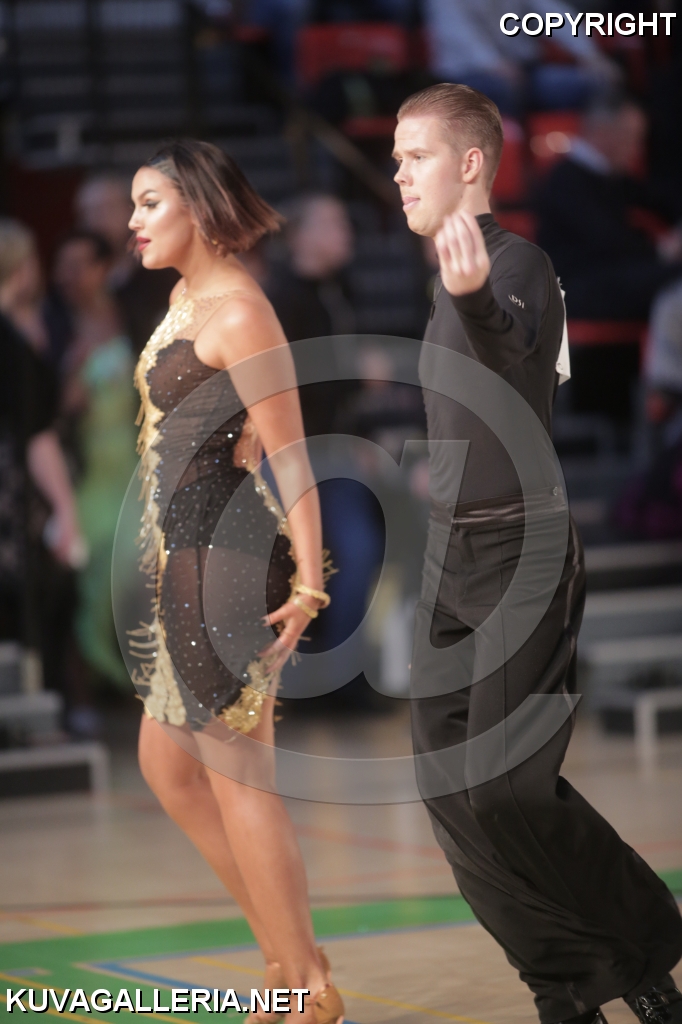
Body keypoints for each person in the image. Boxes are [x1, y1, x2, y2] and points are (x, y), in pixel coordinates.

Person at [393, 83, 682, 1024]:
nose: (400, 174)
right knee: (452, 795)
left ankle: (645, 944)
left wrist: (475, 299)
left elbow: (515, 357)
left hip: (524, 550)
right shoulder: (447, 279)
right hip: (450, 558)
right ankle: (564, 990)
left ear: (472, 163)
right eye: (395, 159)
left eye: (416, 156)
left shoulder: (517, 266)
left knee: (507, 790)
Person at [128, 140, 344, 1024]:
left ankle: (306, 987)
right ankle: (290, 963)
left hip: (227, 558)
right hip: (183, 556)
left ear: (199, 206)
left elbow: (292, 454)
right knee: (166, 766)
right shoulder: (185, 299)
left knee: (237, 773)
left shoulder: (244, 313)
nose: (134, 222)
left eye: (149, 203)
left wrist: (311, 584)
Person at [536, 95, 682, 424]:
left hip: (612, 281)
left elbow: (659, 200)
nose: (637, 149)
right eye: (632, 138)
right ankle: (666, 390)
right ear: (603, 134)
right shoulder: (565, 180)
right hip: (578, 290)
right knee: (668, 279)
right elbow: (608, 241)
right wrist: (664, 250)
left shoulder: (610, 177)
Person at [53, 230, 139, 695]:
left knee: (134, 573)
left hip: (135, 463)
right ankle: (92, 682)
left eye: (78, 265)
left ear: (102, 269)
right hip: (88, 469)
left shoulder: (131, 315)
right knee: (91, 581)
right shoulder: (57, 326)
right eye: (62, 266)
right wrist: (73, 371)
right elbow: (55, 409)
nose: (68, 276)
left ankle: (128, 677)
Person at [0, 221, 81, 652]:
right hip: (14, 503)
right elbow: (37, 435)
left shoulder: (23, 333)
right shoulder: (14, 344)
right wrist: (66, 509)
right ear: (20, 269)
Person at [424, 0, 619, 118]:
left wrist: (588, 53)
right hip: (468, 77)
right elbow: (459, 33)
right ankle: (514, 162)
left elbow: (552, 14)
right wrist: (494, 64)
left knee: (596, 81)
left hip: (525, 72)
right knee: (504, 88)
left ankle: (586, 162)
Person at [75, 173, 178, 355]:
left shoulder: (161, 273)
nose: (99, 219)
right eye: (89, 212)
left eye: (108, 208)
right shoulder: (71, 282)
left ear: (130, 212)